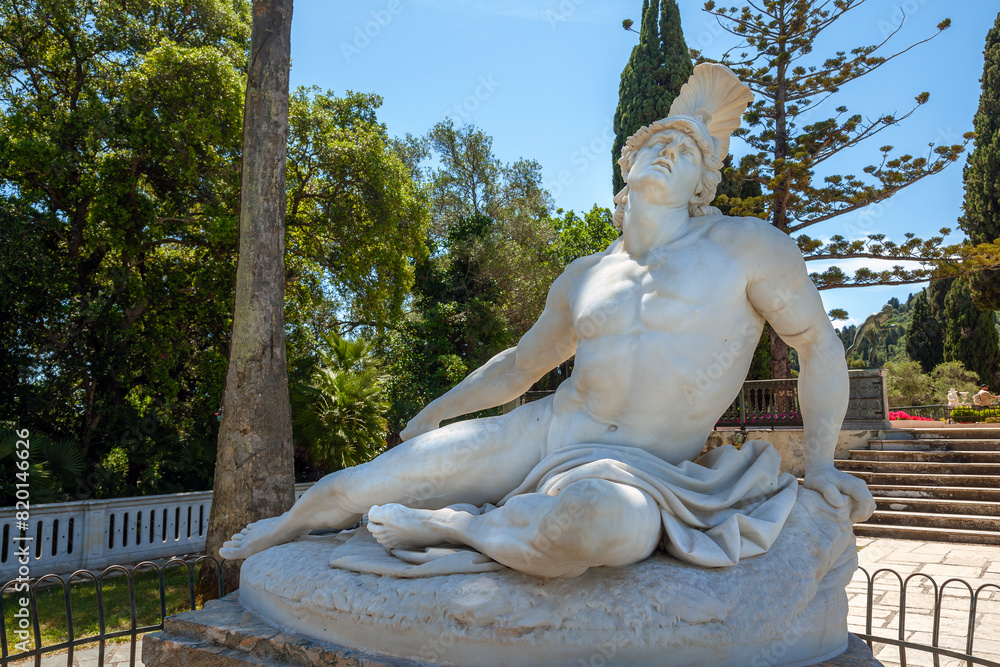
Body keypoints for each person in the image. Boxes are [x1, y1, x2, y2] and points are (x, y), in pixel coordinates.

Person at [220, 64, 874, 578]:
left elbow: (817, 344)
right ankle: (282, 529)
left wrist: (820, 466)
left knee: (591, 529)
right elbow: (519, 364)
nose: (670, 151)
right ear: (629, 165)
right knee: (356, 486)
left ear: (704, 184)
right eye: (659, 141)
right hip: (546, 433)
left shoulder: (746, 247)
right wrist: (439, 411)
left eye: (689, 150)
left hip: (643, 472)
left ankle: (460, 526)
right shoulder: (586, 274)